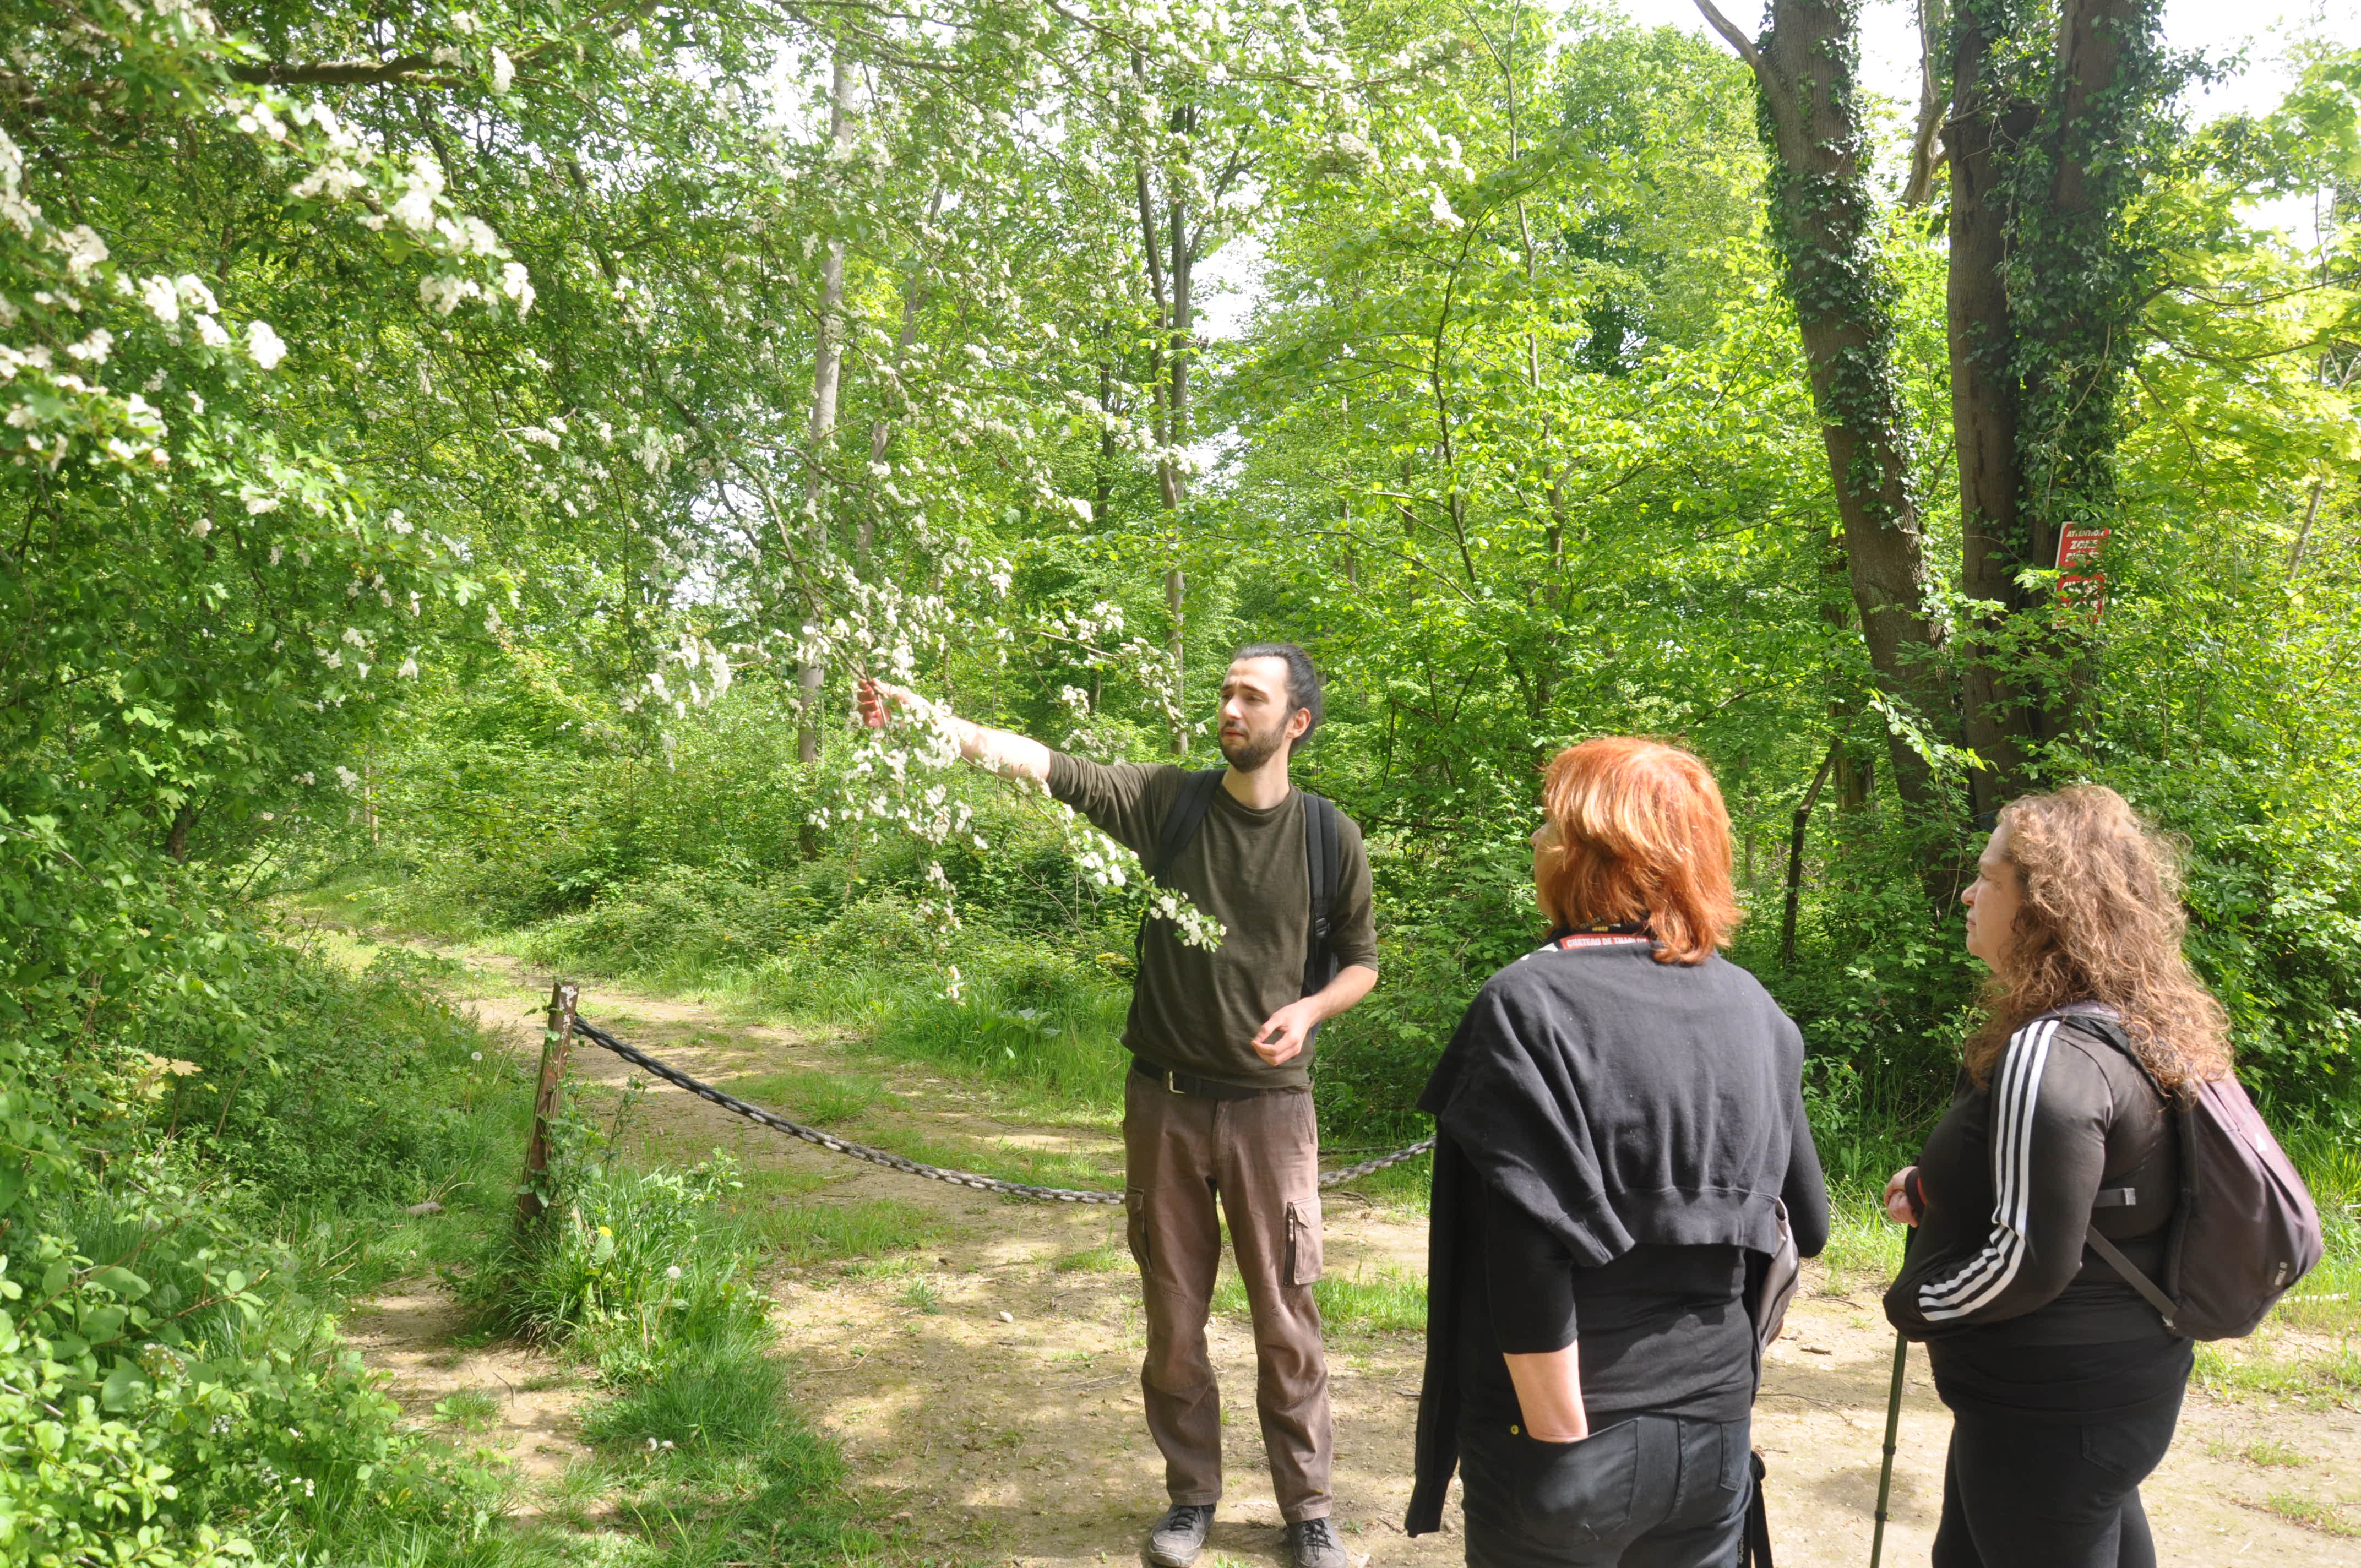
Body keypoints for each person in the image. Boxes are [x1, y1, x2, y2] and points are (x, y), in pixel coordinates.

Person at [860, 645, 1379, 1568]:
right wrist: (926, 719)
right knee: (1173, 1322)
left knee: (1286, 1321)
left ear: (1296, 721)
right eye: (1225, 692)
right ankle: (1191, 1499)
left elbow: (1362, 964)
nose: (1230, 708)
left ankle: (1308, 1511)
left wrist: (1310, 1011)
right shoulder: (1170, 802)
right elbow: (1041, 763)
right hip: (1164, 1104)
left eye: (1251, 697)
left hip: (1272, 1113)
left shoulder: (1327, 836)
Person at [1406, 736, 1830, 1568]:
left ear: (1594, 855)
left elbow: (1527, 1253)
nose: (1537, 841)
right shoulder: (1754, 1008)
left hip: (1568, 1434)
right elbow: (1805, 1223)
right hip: (1715, 1432)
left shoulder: (1527, 1005)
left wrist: (1560, 1446)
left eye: (1551, 826)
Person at [1883, 786, 2232, 1568]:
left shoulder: (2051, 1049)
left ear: (2043, 905)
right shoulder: (2137, 1024)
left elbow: (2032, 1261)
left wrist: (1917, 1304)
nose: (1967, 894)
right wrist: (1935, 1191)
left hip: (2047, 1402)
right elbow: (2100, 1191)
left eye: (1987, 877)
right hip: (2112, 1381)